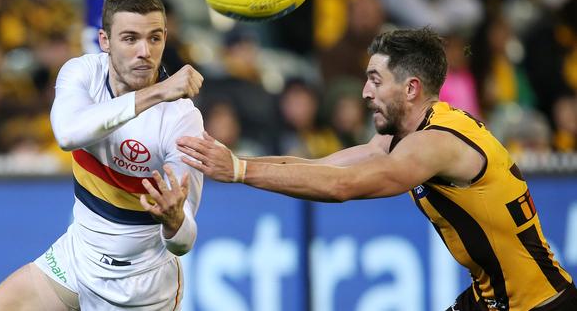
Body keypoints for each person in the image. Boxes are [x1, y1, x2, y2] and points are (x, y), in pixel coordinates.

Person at [177, 28, 577, 310]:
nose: (365, 92)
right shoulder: (413, 132)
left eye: (374, 79)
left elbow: (342, 185)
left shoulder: (435, 144)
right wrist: (233, 160)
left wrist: (241, 171)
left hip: (540, 303)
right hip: (493, 297)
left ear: (410, 88)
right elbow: (320, 167)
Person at [0, 0, 205, 310]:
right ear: (105, 41)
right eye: (130, 39)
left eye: (154, 38)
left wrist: (173, 222)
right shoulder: (83, 72)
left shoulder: (182, 119)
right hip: (76, 257)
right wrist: (157, 93)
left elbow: (185, 241)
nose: (144, 50)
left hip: (138, 285)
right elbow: (68, 134)